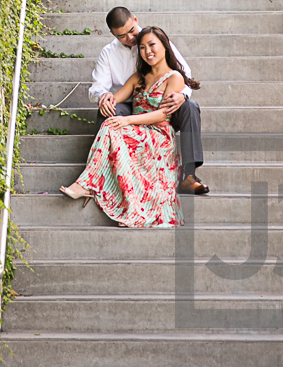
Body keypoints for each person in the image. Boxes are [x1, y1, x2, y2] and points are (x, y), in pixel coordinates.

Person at [60, 26, 194, 227]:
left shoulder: (174, 77)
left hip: (159, 135)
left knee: (114, 125)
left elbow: (163, 114)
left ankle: (88, 184)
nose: (147, 51)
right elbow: (114, 100)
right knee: (109, 122)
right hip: (136, 132)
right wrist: (105, 99)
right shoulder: (137, 77)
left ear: (165, 46)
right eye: (142, 48)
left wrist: (128, 120)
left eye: (152, 45)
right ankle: (90, 185)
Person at [88, 6, 209, 195]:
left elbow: (184, 72)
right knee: (108, 111)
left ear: (135, 20)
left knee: (190, 107)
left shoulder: (152, 40)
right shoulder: (108, 53)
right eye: (122, 36)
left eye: (131, 30)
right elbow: (98, 88)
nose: (130, 38)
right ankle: (103, 173)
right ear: (113, 34)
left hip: (163, 103)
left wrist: (183, 94)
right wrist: (103, 97)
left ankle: (188, 176)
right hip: (131, 105)